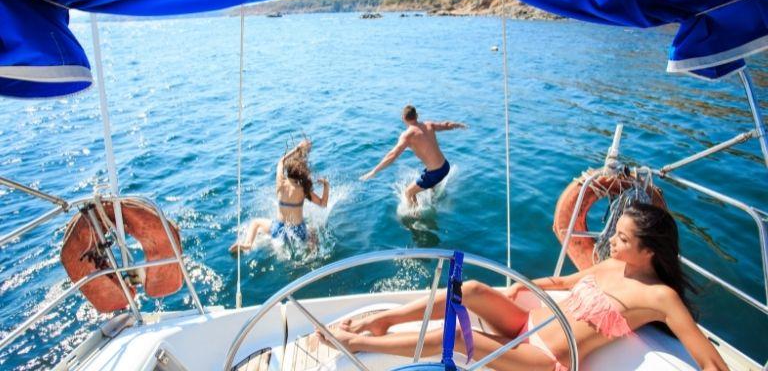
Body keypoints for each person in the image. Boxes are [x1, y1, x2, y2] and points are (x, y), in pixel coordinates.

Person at [318, 203, 729, 371]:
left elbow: (711, 363)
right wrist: (519, 288)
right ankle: (383, 322)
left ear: (650, 252)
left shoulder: (660, 297)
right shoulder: (610, 265)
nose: (612, 241)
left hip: (544, 357)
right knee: (474, 288)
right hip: (530, 321)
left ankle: (353, 345)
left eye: (622, 238)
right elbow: (564, 283)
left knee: (464, 338)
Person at [229, 139, 329, 253]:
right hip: (297, 232)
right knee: (313, 232)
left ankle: (247, 244)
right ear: (301, 173)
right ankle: (313, 254)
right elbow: (323, 203)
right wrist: (326, 185)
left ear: (288, 170)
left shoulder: (280, 183)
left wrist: (298, 148)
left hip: (278, 230)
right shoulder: (303, 190)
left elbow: (281, 161)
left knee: (255, 222)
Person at [360, 105, 467, 206]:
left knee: (408, 193)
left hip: (435, 173)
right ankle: (434, 195)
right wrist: (458, 125)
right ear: (417, 116)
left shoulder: (407, 135)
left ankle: (415, 216)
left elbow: (392, 155)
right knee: (428, 174)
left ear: (403, 118)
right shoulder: (428, 125)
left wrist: (374, 171)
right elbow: (446, 125)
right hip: (445, 166)